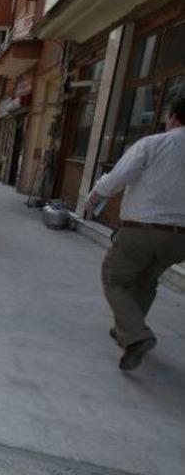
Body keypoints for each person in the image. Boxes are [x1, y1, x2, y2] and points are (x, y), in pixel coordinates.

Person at [85, 96, 185, 371]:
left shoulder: (155, 144)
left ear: (174, 117)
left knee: (115, 279)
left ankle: (136, 335)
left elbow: (117, 178)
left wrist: (94, 198)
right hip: (180, 238)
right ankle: (127, 331)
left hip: (145, 228)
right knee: (146, 280)